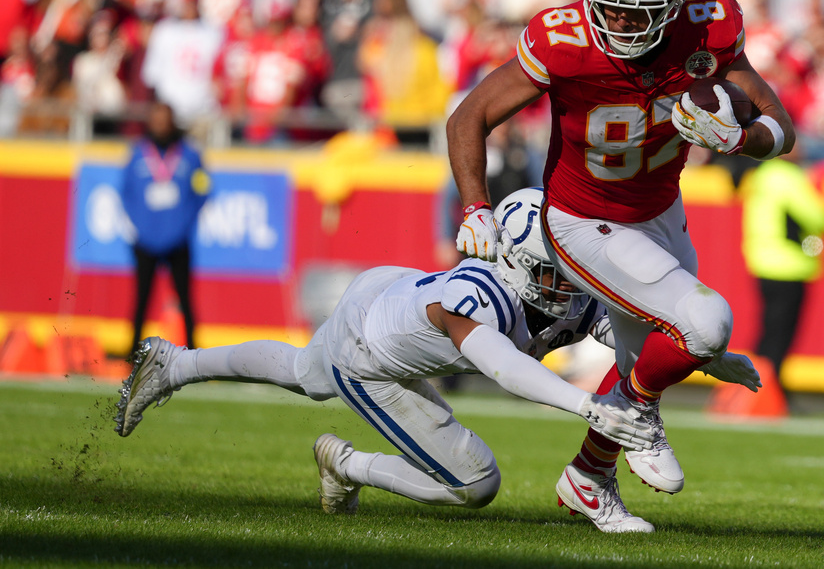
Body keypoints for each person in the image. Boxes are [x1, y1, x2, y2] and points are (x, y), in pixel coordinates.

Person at [114, 188, 758, 529]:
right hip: (373, 351)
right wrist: (587, 404)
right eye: (556, 271)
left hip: (386, 291)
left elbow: (630, 336)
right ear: (519, 265)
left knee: (303, 374)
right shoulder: (478, 295)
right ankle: (346, 461)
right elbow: (507, 370)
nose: (572, 283)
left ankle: (176, 366)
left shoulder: (552, 292)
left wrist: (705, 355)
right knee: (474, 484)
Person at [445, 0, 787, 532]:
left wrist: (740, 138)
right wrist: (476, 205)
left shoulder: (708, 24)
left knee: (649, 355)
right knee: (704, 324)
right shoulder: (564, 39)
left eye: (640, 15)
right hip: (583, 219)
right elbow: (468, 117)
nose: (623, 27)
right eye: (610, 12)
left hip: (660, 210)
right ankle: (636, 414)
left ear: (674, 3)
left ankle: (588, 478)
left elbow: (780, 127)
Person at [739, 140, 824, 414]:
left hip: (762, 262)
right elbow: (822, 218)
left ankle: (755, 390)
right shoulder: (788, 177)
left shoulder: (762, 175)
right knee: (780, 337)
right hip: (789, 265)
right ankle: (768, 393)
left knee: (768, 333)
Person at [120, 101, 210, 356]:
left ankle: (194, 352)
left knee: (185, 298)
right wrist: (137, 225)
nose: (160, 125)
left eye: (165, 120)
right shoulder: (138, 154)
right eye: (156, 120)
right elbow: (126, 192)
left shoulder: (189, 155)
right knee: (141, 298)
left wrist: (186, 220)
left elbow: (203, 188)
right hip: (145, 239)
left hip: (178, 238)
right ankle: (131, 351)